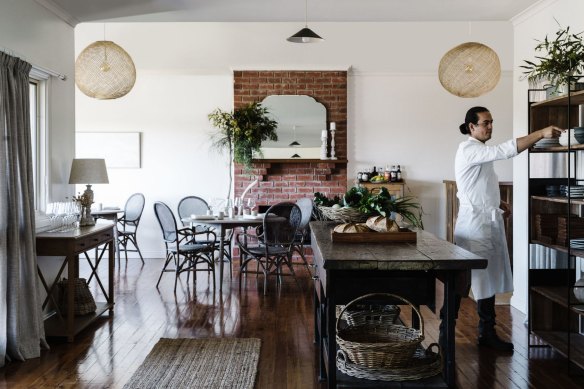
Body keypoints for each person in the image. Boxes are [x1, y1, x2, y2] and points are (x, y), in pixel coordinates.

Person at [439, 106, 563, 352]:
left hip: (486, 222)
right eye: (485, 123)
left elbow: (479, 183)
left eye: (492, 122)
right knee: (461, 282)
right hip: (474, 227)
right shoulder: (469, 148)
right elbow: (505, 150)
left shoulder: (479, 150)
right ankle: (445, 333)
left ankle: (487, 334)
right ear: (471, 127)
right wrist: (539, 133)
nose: (490, 127)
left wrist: (498, 202)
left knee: (489, 280)